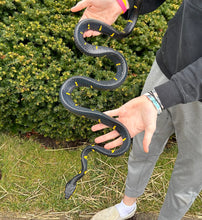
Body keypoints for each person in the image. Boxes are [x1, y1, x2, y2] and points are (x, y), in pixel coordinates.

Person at [71, 0, 202, 219]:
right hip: (167, 65)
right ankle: (127, 205)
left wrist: (159, 99)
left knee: (190, 172)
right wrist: (122, 2)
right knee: (143, 144)